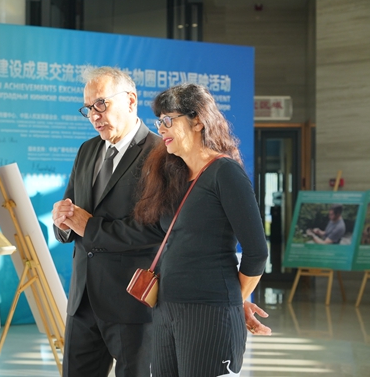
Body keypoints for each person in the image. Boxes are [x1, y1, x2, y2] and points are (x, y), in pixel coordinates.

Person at [132, 83, 269, 377]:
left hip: (209, 313)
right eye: (159, 121)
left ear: (197, 121)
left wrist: (235, 300)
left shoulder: (225, 173)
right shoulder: (175, 176)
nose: (161, 128)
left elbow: (257, 252)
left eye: (169, 120)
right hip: (166, 310)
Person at [52, 66, 165, 377]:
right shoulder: (87, 150)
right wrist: (61, 223)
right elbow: (71, 214)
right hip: (83, 302)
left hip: (131, 304)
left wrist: (89, 227)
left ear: (130, 100)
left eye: (101, 103)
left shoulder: (159, 154)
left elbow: (157, 230)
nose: (94, 115)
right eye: (88, 108)